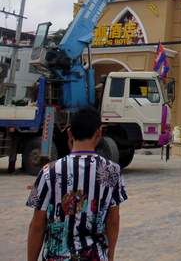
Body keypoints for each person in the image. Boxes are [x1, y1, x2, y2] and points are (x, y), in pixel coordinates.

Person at [26, 106, 127, 261]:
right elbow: (113, 221)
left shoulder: (48, 172)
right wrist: (109, 256)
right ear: (99, 133)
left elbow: (37, 225)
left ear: (69, 133)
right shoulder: (112, 171)